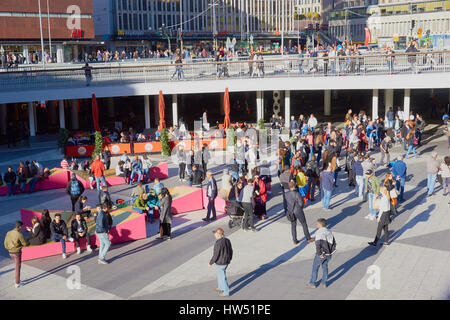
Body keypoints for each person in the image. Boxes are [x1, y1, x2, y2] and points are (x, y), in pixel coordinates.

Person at [306, 218, 336, 289]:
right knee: (325, 266)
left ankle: (312, 283)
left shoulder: (319, 232)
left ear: (320, 224)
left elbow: (318, 245)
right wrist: (313, 239)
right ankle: (324, 283)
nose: (317, 225)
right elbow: (331, 242)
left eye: (317, 224)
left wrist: (320, 254)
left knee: (315, 268)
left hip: (322, 254)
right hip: (329, 254)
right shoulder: (329, 231)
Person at [285, 181, 314, 245]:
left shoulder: (286, 194)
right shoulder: (297, 193)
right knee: (304, 224)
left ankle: (295, 240)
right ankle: (308, 238)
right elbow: (301, 203)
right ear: (294, 186)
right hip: (298, 211)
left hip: (290, 211)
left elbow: (285, 203)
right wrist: (301, 208)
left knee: (293, 226)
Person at [208, 227, 233, 297]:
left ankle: (226, 292)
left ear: (218, 234)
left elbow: (216, 254)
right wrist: (230, 259)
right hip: (226, 261)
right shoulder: (227, 240)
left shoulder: (218, 243)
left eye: (215, 234)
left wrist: (210, 262)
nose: (214, 235)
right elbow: (231, 250)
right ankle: (220, 287)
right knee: (220, 275)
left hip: (221, 262)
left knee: (222, 277)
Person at [4, 221, 27, 288]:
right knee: (17, 267)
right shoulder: (19, 234)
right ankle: (17, 283)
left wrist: (9, 248)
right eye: (21, 227)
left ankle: (17, 279)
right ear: (19, 227)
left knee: (16, 266)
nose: (21, 228)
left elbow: (5, 243)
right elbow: (24, 243)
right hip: (17, 253)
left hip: (10, 252)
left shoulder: (8, 232)